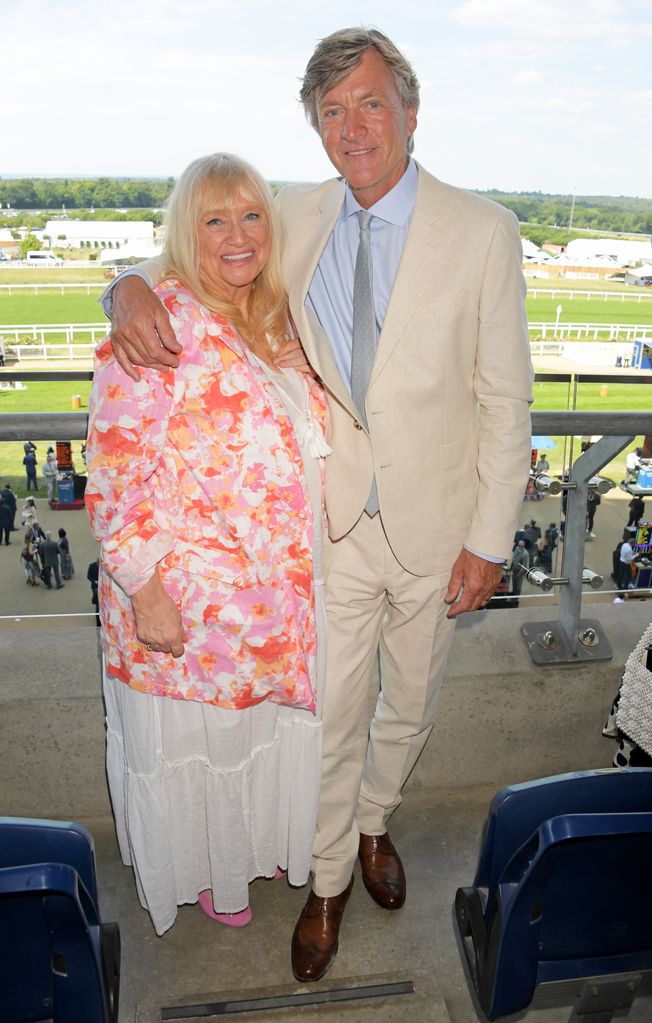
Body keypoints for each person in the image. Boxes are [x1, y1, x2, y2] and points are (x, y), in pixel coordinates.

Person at [100, 28, 533, 978]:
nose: (353, 127)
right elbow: (196, 254)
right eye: (332, 112)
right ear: (317, 129)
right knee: (334, 712)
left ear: (410, 112)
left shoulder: (484, 229)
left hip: (438, 528)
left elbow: (508, 401)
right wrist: (119, 286)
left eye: (371, 103)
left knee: (406, 708)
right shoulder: (293, 213)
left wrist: (489, 539)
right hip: (329, 531)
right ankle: (329, 878)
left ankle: (376, 822)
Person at [85, 153, 329, 937]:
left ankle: (245, 859)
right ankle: (213, 875)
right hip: (189, 610)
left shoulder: (279, 317)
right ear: (184, 234)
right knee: (208, 750)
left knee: (256, 743)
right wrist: (143, 588)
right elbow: (115, 472)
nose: (236, 235)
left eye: (251, 215)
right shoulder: (157, 324)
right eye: (213, 220)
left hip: (272, 605)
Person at [87, 557, 100, 626]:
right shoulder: (91, 566)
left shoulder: (104, 566)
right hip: (95, 586)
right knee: (97, 603)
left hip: (103, 587)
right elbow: (88, 576)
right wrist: (94, 581)